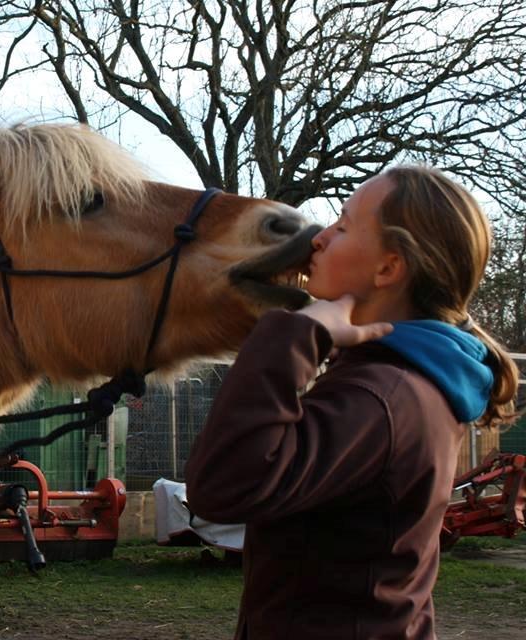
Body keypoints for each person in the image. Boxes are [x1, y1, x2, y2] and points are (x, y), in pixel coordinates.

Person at [184, 165, 518, 640]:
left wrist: (295, 337)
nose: (318, 238)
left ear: (388, 267)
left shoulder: (381, 398)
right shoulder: (403, 383)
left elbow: (222, 489)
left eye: (342, 225)